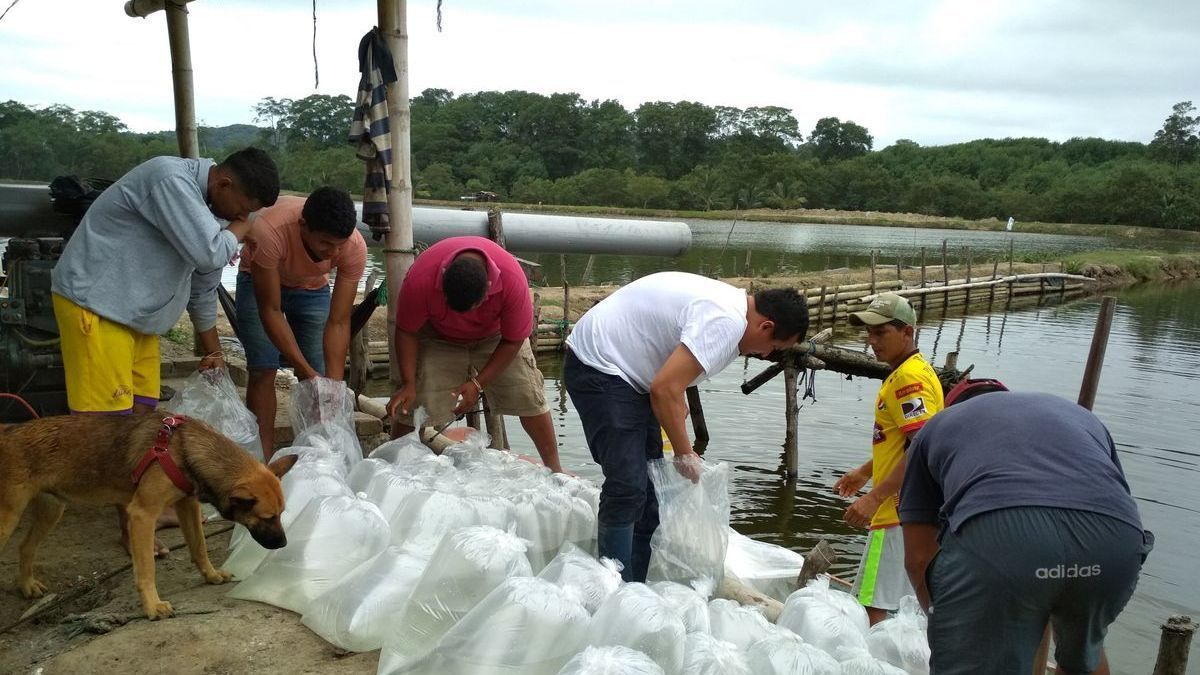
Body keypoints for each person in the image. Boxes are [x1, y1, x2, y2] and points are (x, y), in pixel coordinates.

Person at [50, 147, 280, 555]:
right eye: (243, 209)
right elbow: (211, 252)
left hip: (139, 319)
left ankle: (147, 506)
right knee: (107, 429)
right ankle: (132, 524)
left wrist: (213, 354)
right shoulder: (169, 180)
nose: (242, 219)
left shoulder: (214, 218)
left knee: (145, 423)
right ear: (223, 183)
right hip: (97, 306)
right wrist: (243, 228)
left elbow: (205, 284)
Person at [563, 272, 809, 582]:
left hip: (630, 374)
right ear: (766, 326)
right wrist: (684, 453)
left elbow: (672, 386)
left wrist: (677, 412)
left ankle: (634, 584)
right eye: (772, 347)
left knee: (652, 490)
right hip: (601, 365)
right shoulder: (727, 321)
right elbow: (664, 390)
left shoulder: (731, 307)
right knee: (627, 486)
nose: (765, 354)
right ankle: (612, 585)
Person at [901, 380, 1153, 675]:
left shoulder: (937, 426)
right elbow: (1112, 497)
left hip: (1003, 535)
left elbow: (918, 559)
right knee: (1084, 658)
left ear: (952, 405)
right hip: (1116, 544)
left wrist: (955, 620)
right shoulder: (1078, 416)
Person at [385, 235, 562, 473]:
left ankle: (555, 469)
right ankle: (393, 467)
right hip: (438, 334)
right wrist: (407, 383)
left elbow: (513, 340)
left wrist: (478, 383)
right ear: (443, 281)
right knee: (415, 398)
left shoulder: (512, 282)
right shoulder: (421, 279)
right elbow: (406, 331)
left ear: (488, 288)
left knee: (528, 394)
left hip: (497, 336)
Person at [833, 292, 943, 625]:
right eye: (869, 333)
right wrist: (866, 471)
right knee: (910, 602)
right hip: (911, 508)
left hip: (897, 510)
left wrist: (875, 497)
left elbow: (923, 444)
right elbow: (909, 440)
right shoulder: (913, 370)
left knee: (873, 605)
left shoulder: (908, 380)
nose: (872, 341)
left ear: (907, 332)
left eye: (881, 333)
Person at [236, 186, 367, 459]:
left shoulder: (353, 246)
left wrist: (333, 385)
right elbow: (270, 310)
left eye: (338, 245)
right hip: (257, 280)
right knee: (263, 368)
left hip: (311, 288)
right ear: (303, 226)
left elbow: (340, 321)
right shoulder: (270, 231)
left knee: (321, 380)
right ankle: (261, 461)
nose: (333, 253)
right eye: (325, 243)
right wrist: (302, 369)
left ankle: (319, 458)